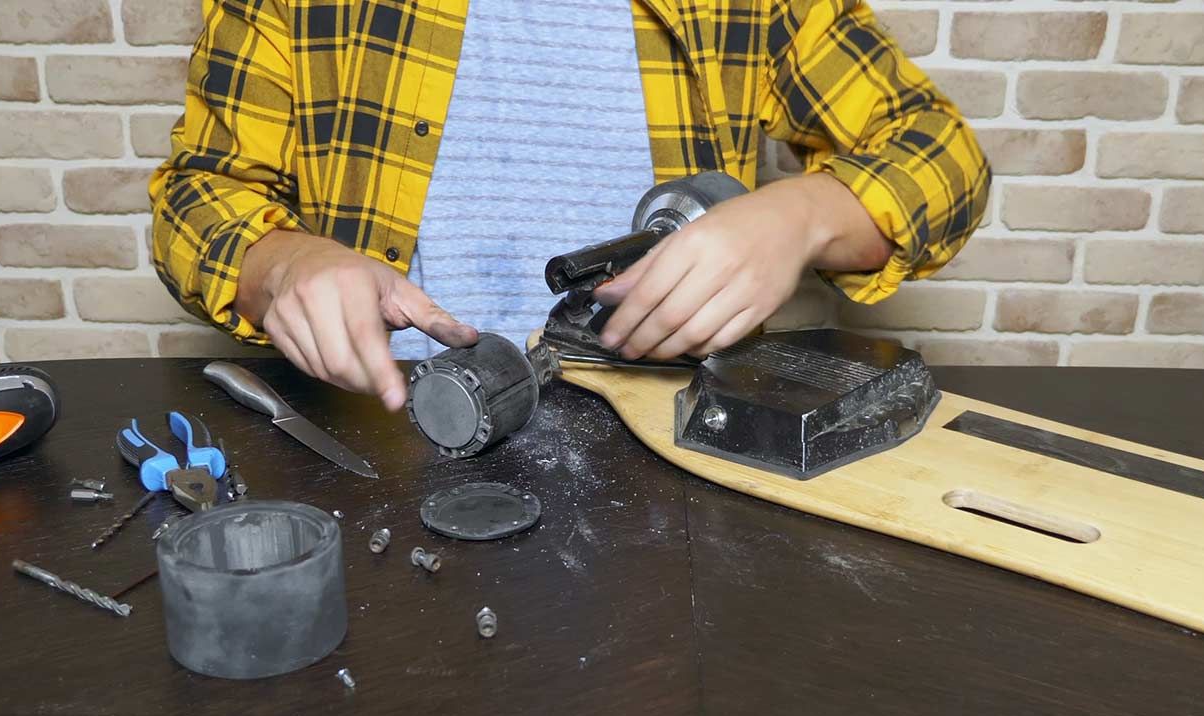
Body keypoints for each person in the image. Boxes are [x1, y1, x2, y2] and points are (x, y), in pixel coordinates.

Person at [149, 0, 990, 413]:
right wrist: (288, 263)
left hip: (670, 431)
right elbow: (197, 193)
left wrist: (800, 214)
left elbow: (943, 158)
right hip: (392, 424)